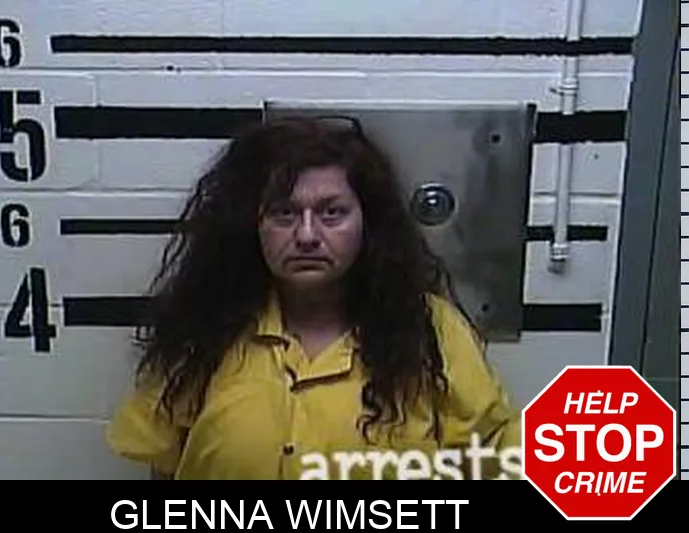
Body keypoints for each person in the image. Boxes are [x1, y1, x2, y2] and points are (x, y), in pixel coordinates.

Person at [106, 115, 522, 480]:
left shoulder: (430, 330)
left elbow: (495, 456)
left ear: (367, 222)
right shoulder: (204, 332)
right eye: (284, 213)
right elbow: (164, 468)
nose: (306, 235)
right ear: (252, 224)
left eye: (331, 212)